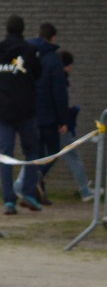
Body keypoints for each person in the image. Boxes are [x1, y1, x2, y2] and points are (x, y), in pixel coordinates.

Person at [0, 15, 43, 214]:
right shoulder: (30, 51)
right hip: (26, 110)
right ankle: (29, 194)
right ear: (22, 30)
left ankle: (8, 201)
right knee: (31, 152)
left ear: (7, 28)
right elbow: (37, 73)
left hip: (3, 110)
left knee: (5, 156)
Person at [17, 22, 70, 204]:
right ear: (52, 37)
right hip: (48, 116)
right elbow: (59, 92)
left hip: (30, 114)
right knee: (54, 151)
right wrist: (63, 119)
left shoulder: (27, 54)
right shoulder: (54, 59)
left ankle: (39, 194)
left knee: (37, 155)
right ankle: (38, 178)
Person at [57, 51, 95, 201]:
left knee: (44, 155)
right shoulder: (60, 81)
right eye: (70, 65)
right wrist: (63, 121)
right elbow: (60, 102)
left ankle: (21, 185)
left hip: (54, 124)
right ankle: (85, 189)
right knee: (73, 156)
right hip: (61, 126)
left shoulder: (54, 78)